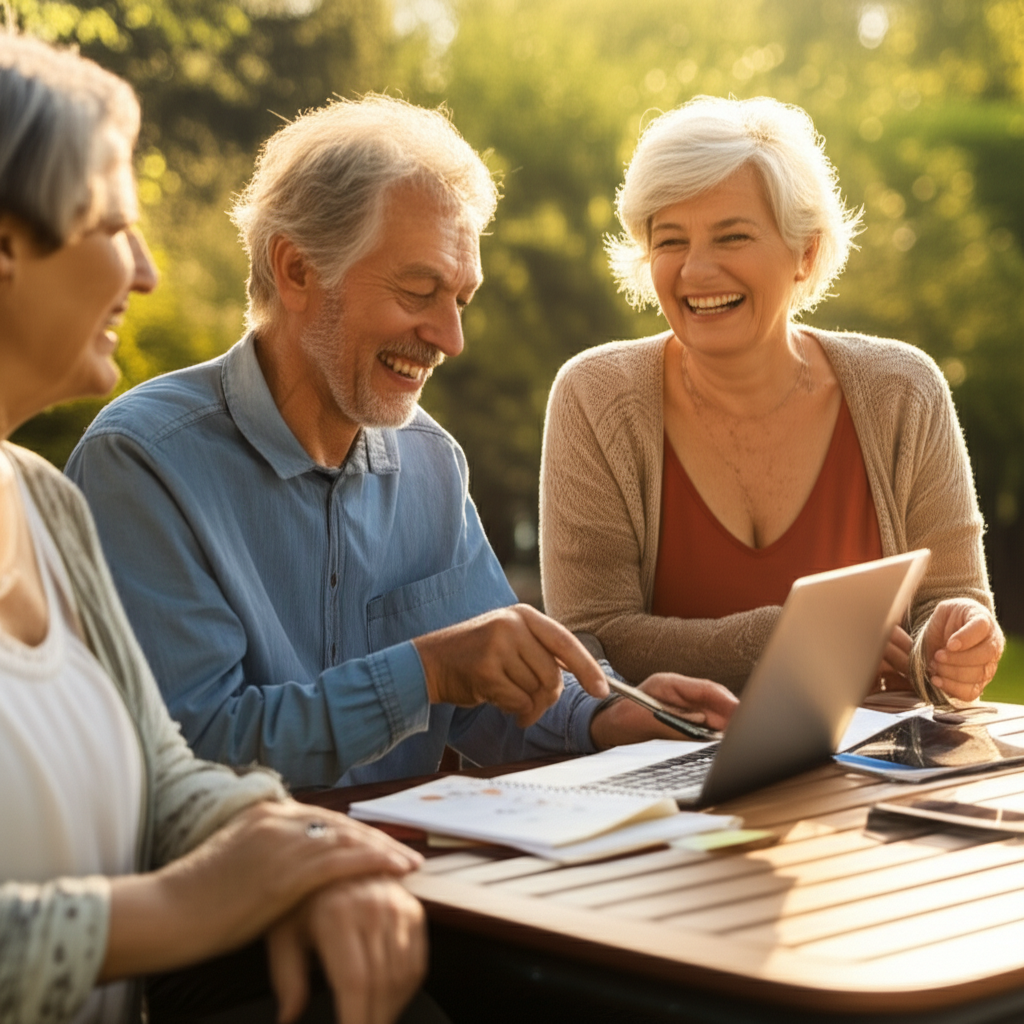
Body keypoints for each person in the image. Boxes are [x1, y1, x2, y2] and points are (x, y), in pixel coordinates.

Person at [65, 94, 737, 791]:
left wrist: (606, 717)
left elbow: (491, 691)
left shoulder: (430, 462)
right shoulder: (143, 465)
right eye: (420, 291)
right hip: (225, 891)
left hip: (405, 875)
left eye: (460, 299)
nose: (451, 338)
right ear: (296, 271)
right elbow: (195, 749)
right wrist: (425, 672)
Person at [0, 32, 438, 1024]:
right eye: (114, 222)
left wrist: (310, 858)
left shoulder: (43, 503)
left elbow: (166, 775)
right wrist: (186, 906)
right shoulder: (136, 460)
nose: (148, 270)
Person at [540, 95, 1004, 702]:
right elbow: (591, 639)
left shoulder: (904, 391)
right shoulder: (594, 396)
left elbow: (951, 603)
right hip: (676, 777)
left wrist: (954, 644)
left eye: (732, 237)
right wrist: (781, 639)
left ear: (805, 253)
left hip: (873, 770)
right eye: (671, 241)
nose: (696, 272)